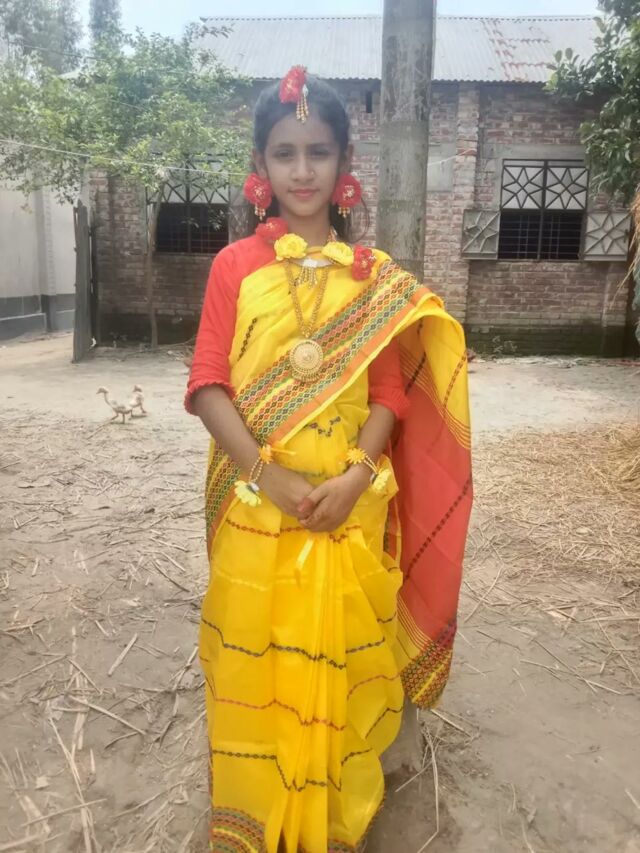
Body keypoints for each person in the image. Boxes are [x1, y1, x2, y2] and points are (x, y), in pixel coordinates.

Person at [185, 66, 473, 853]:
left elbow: (390, 394)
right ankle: (261, 796)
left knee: (340, 652)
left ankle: (331, 805)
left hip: (347, 504)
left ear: (345, 162)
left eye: (319, 151)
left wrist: (354, 476)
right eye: (285, 153)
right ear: (261, 165)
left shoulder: (371, 277)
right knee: (258, 648)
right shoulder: (234, 266)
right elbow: (207, 384)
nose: (302, 170)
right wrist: (265, 474)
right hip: (258, 506)